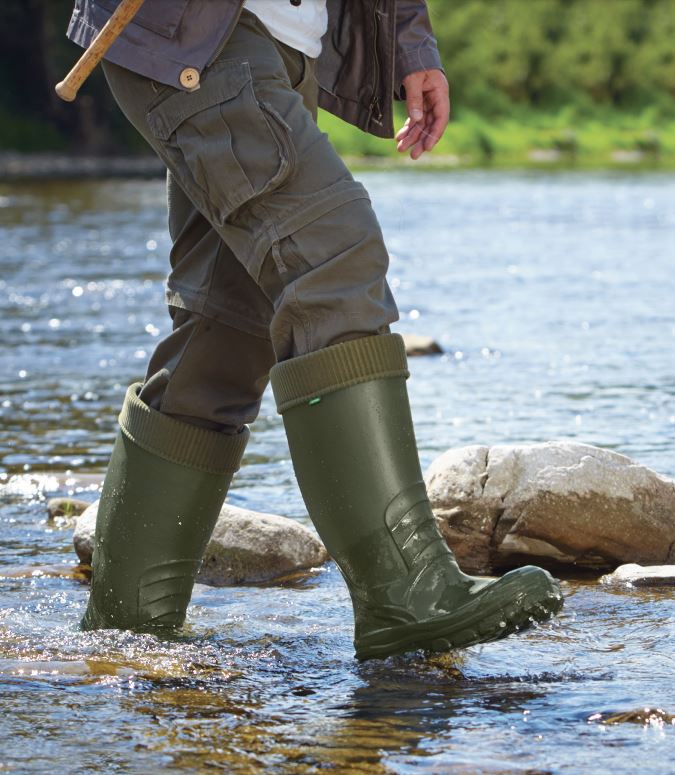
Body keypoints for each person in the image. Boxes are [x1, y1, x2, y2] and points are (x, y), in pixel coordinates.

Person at [65, 0, 562, 660]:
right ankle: (406, 593)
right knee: (333, 256)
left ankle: (126, 632)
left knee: (228, 329)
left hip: (283, 48)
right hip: (198, 35)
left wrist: (410, 45)